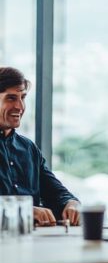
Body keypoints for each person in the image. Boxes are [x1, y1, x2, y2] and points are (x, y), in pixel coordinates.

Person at [0, 66, 80, 225]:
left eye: (22, 97)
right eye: (11, 98)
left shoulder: (28, 148)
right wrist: (24, 211)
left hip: (32, 244)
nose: (20, 107)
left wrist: (71, 204)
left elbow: (56, 193)